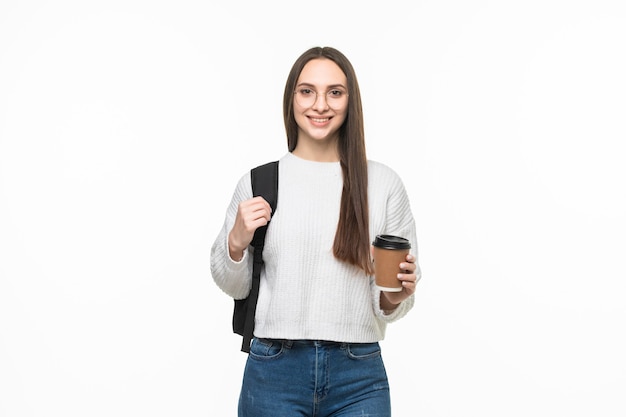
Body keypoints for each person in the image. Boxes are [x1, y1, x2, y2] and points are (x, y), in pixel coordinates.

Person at [210, 46, 421, 417]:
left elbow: (388, 305)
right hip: (274, 369)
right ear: (291, 98)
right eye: (307, 91)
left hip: (358, 373)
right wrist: (235, 243)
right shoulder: (261, 182)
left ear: (349, 101)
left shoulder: (382, 184)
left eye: (334, 92)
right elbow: (236, 287)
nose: (320, 104)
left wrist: (397, 294)